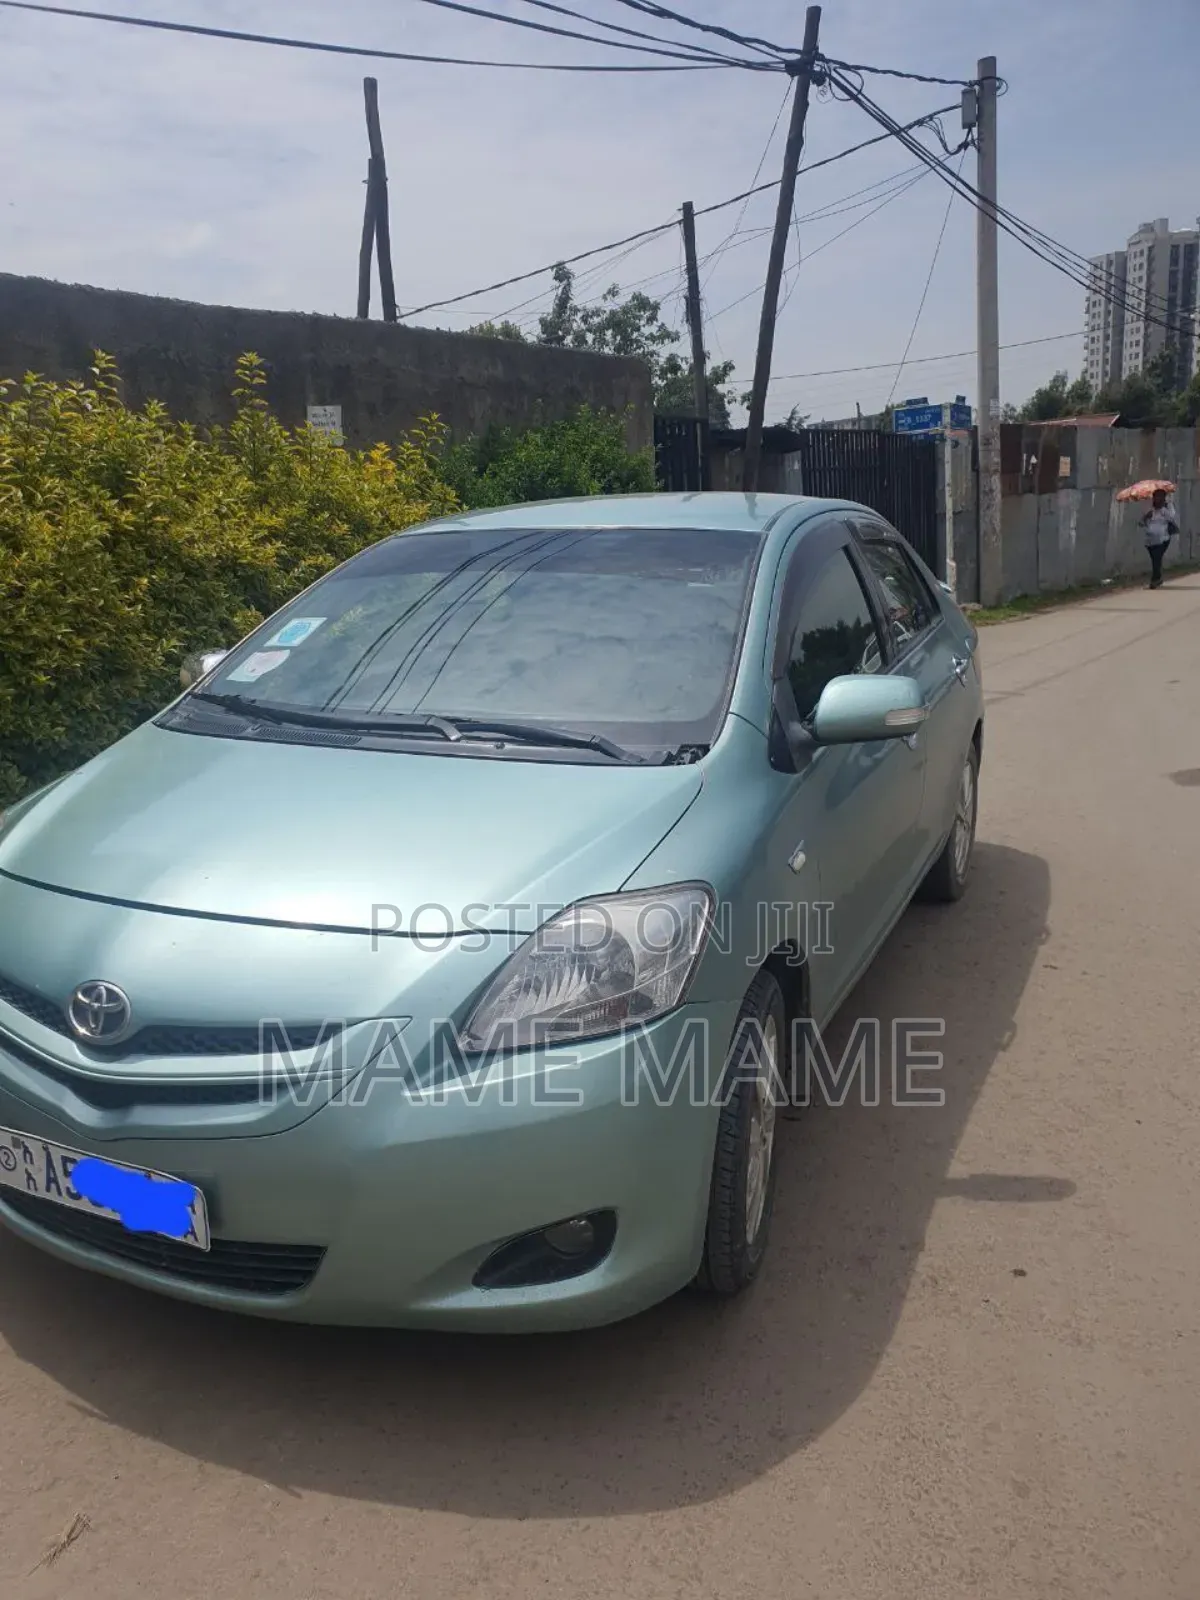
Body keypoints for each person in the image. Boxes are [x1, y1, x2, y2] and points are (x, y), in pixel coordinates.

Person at [1140, 488, 1179, 589]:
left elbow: (1172, 518)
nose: (1157, 499)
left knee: (1157, 558)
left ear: (1163, 498)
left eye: (1160, 497)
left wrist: (1165, 510)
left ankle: (1155, 580)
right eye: (1155, 497)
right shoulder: (1150, 509)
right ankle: (1158, 578)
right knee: (1155, 560)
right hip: (1150, 540)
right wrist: (1146, 517)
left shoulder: (1167, 508)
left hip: (1163, 539)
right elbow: (1141, 524)